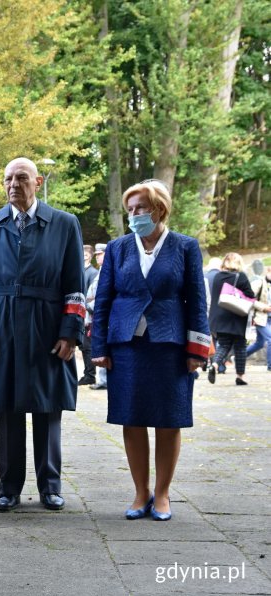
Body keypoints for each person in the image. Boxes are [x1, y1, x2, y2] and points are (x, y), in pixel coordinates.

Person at [0, 157, 85, 512]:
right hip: (2, 326)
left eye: (21, 178)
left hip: (48, 326)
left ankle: (50, 485)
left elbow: (75, 285)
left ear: (38, 181)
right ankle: (9, 486)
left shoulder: (65, 224)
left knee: (48, 409)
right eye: (7, 179)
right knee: (6, 408)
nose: (13, 185)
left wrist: (70, 331)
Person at [91, 179, 211, 521]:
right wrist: (98, 345)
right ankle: (140, 491)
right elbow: (103, 300)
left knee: (169, 420)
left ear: (159, 209)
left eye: (140, 208)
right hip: (126, 345)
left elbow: (196, 302)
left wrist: (196, 350)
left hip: (170, 345)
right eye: (130, 210)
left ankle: (162, 494)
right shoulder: (117, 248)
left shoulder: (185, 247)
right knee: (131, 418)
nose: (134, 215)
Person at [207, 252, 259, 386]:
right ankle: (240, 377)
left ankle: (215, 365)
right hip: (236, 316)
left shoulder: (218, 276)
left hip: (219, 317)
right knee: (240, 347)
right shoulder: (240, 276)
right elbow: (250, 295)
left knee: (223, 345)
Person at [86, 244, 108, 390]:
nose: (98, 257)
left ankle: (103, 380)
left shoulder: (107, 271)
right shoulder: (101, 271)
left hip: (102, 314)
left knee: (103, 347)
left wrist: (91, 306)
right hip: (95, 314)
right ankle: (102, 379)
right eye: (97, 254)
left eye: (100, 254)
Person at [78, 245, 98, 386]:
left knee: (87, 345)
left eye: (87, 254)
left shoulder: (93, 273)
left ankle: (90, 374)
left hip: (87, 313)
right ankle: (87, 372)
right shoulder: (79, 270)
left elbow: (91, 295)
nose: (84, 256)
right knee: (83, 346)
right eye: (82, 253)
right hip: (79, 310)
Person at [246, 266, 271, 371]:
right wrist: (263, 307)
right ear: (268, 271)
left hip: (269, 318)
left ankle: (239, 357)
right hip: (260, 317)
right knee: (270, 339)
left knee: (259, 343)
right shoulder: (258, 283)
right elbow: (248, 298)